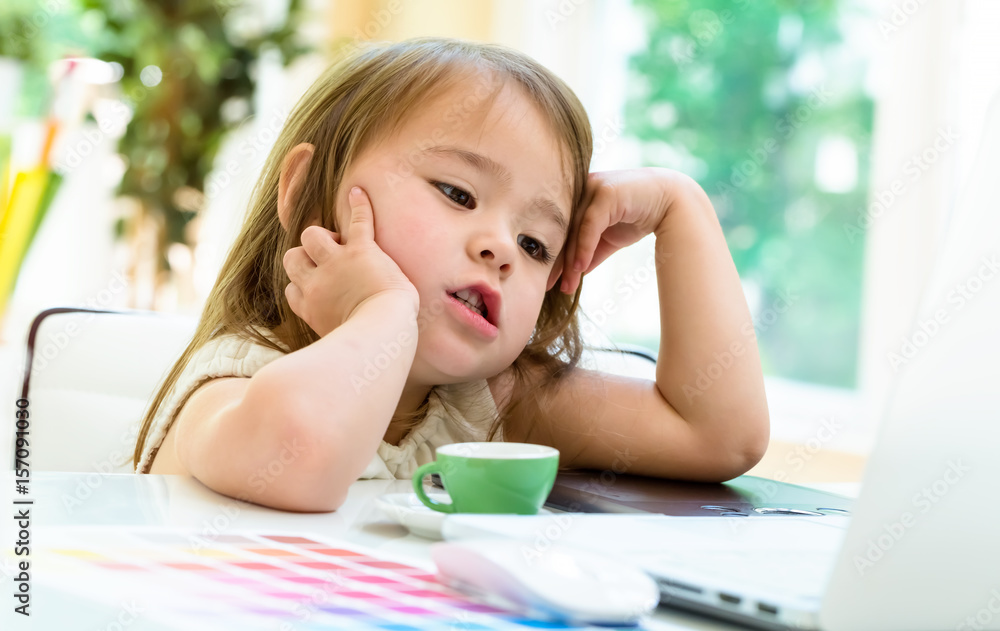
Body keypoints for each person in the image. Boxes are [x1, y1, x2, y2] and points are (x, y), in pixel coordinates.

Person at [132, 36, 769, 512]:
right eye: (458, 194)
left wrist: (682, 208)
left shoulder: (483, 403)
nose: (502, 249)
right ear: (305, 193)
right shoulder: (235, 375)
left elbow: (719, 436)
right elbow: (300, 459)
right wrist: (382, 311)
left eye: (536, 243)